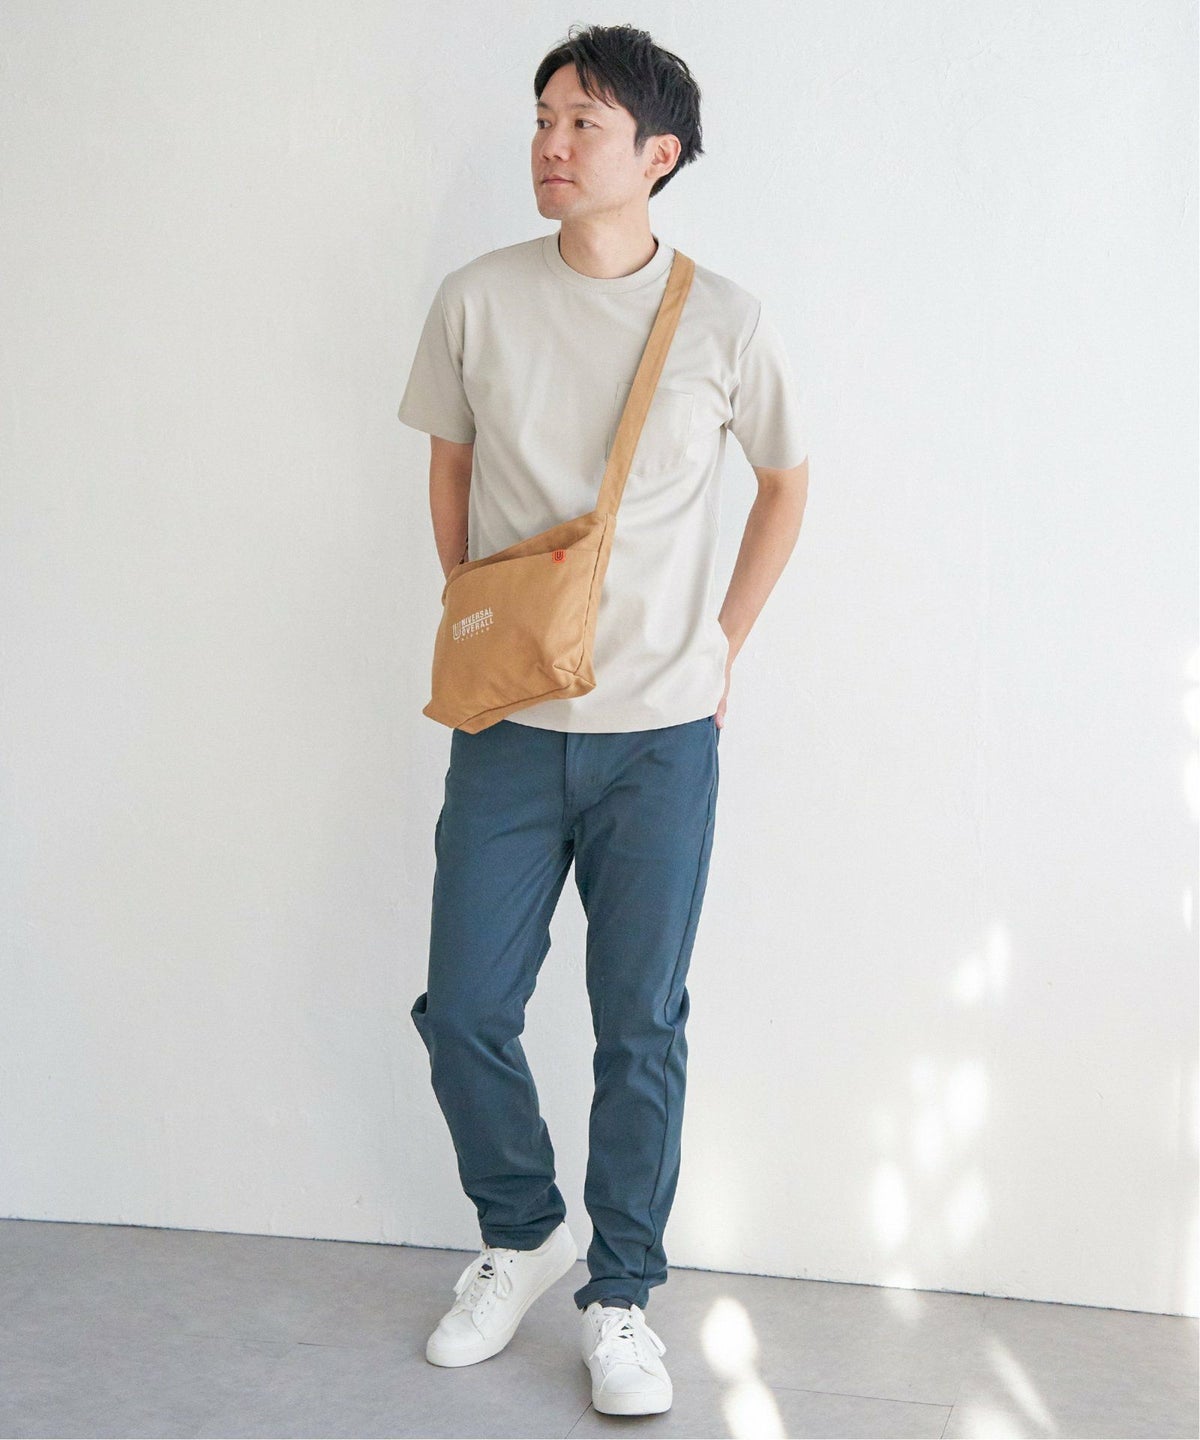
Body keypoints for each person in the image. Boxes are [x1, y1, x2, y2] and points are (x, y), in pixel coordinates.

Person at [396, 22, 809, 1418]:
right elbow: (449, 470)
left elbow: (787, 485)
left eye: (583, 123)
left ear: (658, 154)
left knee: (640, 1024)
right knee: (466, 1007)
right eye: (543, 118)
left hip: (661, 735)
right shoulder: (477, 299)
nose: (551, 145)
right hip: (509, 721)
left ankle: (621, 1294)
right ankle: (523, 1231)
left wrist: (721, 645)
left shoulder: (725, 319)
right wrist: (480, 612)